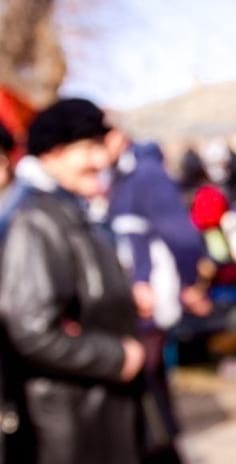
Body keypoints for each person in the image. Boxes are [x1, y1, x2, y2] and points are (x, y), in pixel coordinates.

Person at [0, 98, 146, 464]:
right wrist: (116, 357)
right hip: (69, 419)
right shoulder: (34, 219)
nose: (101, 160)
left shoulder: (71, 209)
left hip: (98, 408)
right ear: (52, 153)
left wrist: (126, 297)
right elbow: (31, 328)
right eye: (88, 148)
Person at [104, 127, 212, 463]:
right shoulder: (117, 176)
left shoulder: (145, 175)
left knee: (149, 378)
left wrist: (188, 281)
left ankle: (163, 449)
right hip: (131, 296)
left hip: (149, 295)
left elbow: (179, 232)